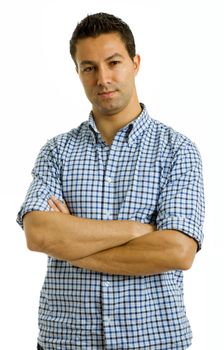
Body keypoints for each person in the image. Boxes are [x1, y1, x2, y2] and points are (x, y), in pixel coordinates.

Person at [17, 12, 205, 350]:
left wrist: (69, 243)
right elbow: (39, 233)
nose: (102, 78)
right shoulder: (56, 152)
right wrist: (137, 231)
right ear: (77, 72)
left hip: (154, 342)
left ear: (135, 63)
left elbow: (177, 250)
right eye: (88, 67)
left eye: (113, 62)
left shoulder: (178, 151)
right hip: (65, 342)